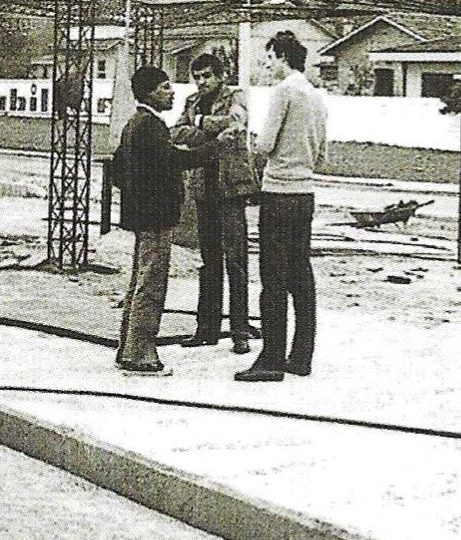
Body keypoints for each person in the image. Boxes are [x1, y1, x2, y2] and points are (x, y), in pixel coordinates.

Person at [238, 31, 328, 383]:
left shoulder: (283, 92)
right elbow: (323, 155)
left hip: (278, 194)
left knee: (272, 279)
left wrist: (253, 142)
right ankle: (301, 356)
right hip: (305, 195)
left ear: (282, 57)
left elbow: (265, 144)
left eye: (270, 59)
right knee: (301, 276)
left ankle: (271, 360)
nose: (268, 66)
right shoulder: (317, 96)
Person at [111, 66, 204, 375]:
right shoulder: (152, 126)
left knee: (139, 281)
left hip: (142, 216)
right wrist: (208, 152)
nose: (171, 92)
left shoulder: (133, 124)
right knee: (151, 284)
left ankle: (127, 346)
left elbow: (118, 170)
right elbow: (172, 160)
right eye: (165, 88)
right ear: (150, 92)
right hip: (156, 217)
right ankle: (141, 355)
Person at [175, 53, 258, 353]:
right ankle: (206, 329)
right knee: (209, 263)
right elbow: (177, 131)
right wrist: (206, 127)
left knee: (236, 261)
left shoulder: (236, 96)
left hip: (231, 188)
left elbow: (236, 124)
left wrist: (198, 125)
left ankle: (240, 332)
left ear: (221, 76)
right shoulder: (192, 102)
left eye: (207, 76)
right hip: (203, 188)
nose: (202, 82)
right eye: (197, 77)